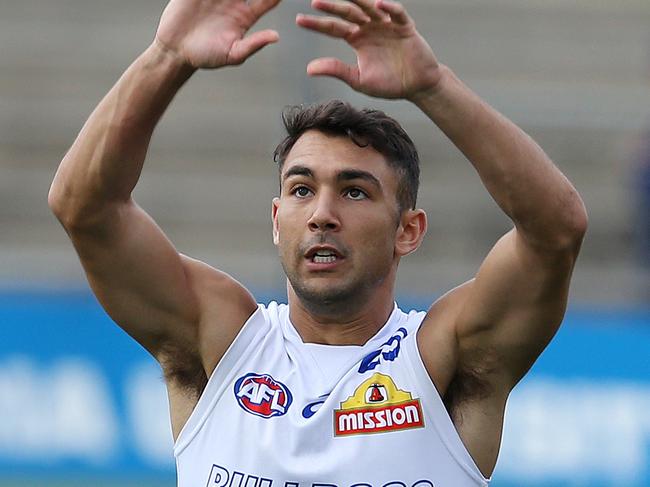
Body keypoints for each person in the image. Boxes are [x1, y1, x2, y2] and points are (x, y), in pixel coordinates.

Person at [48, 0, 588, 486]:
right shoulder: (217, 341)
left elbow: (555, 230)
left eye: (354, 191)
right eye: (302, 189)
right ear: (278, 218)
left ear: (408, 230)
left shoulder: (446, 360)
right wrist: (167, 57)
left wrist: (432, 87)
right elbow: (84, 208)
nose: (323, 215)